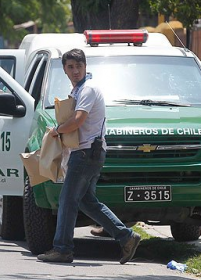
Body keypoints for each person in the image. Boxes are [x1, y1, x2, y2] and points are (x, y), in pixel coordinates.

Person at [37, 48, 141, 264]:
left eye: (79, 66)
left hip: (86, 154)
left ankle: (63, 249)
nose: (75, 71)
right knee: (87, 202)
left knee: (67, 200)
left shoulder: (88, 90)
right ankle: (127, 237)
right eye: (70, 67)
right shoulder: (77, 90)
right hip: (87, 153)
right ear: (64, 69)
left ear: (86, 67)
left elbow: (77, 121)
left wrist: (56, 130)